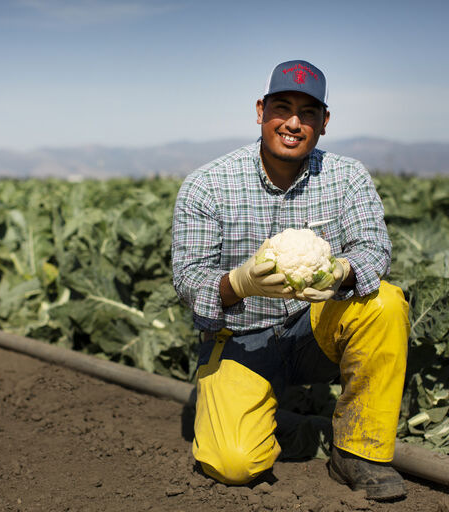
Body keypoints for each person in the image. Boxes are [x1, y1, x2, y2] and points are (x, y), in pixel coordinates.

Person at [171, 59, 410, 501]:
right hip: (239, 338)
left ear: (324, 122)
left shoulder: (347, 176)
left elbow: (375, 249)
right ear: (261, 111)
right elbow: (188, 279)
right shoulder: (208, 185)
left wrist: (343, 270)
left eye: (309, 113)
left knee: (385, 302)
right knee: (234, 463)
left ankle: (358, 453)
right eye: (283, 108)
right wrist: (238, 283)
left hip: (312, 329)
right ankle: (295, 428)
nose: (294, 123)